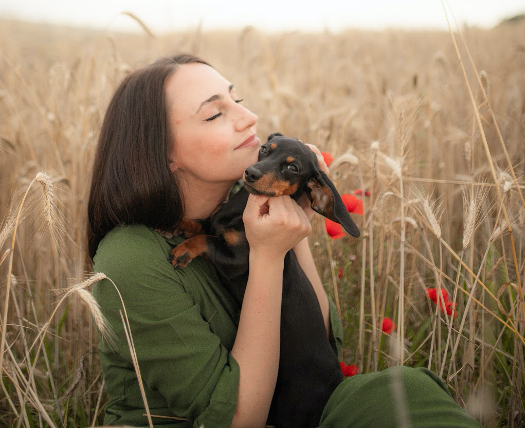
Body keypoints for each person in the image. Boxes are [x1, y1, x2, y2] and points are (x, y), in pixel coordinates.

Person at [88, 54, 481, 428]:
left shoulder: (234, 211)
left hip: (298, 410)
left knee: (405, 390)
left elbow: (320, 337)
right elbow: (239, 418)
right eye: (214, 113)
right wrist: (267, 255)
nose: (249, 117)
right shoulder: (130, 257)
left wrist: (295, 223)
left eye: (236, 98)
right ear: (164, 152)